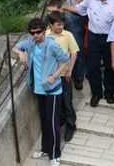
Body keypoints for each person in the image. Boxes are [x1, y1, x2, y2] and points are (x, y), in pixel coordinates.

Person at [13, 18, 69, 166]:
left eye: (38, 32)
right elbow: (15, 47)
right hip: (39, 89)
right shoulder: (31, 43)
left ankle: (55, 154)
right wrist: (21, 54)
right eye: (33, 33)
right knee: (44, 121)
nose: (36, 35)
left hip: (53, 90)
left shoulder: (51, 45)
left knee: (52, 123)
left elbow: (65, 60)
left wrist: (55, 76)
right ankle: (45, 149)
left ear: (44, 30)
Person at [63, 0, 114, 107]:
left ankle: (109, 93)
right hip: (93, 37)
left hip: (109, 38)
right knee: (93, 66)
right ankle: (96, 93)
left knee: (109, 66)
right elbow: (79, 9)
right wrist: (64, 7)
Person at [54, 0, 97, 91]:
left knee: (93, 44)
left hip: (93, 14)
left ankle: (91, 73)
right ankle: (78, 76)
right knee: (76, 45)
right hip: (75, 15)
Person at [44, 12, 78, 143]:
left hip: (64, 75)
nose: (60, 27)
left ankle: (71, 126)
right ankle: (60, 121)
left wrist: (70, 69)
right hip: (50, 75)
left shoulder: (68, 35)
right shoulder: (46, 35)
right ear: (51, 25)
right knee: (55, 101)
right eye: (58, 25)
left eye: (62, 24)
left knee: (67, 100)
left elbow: (74, 52)